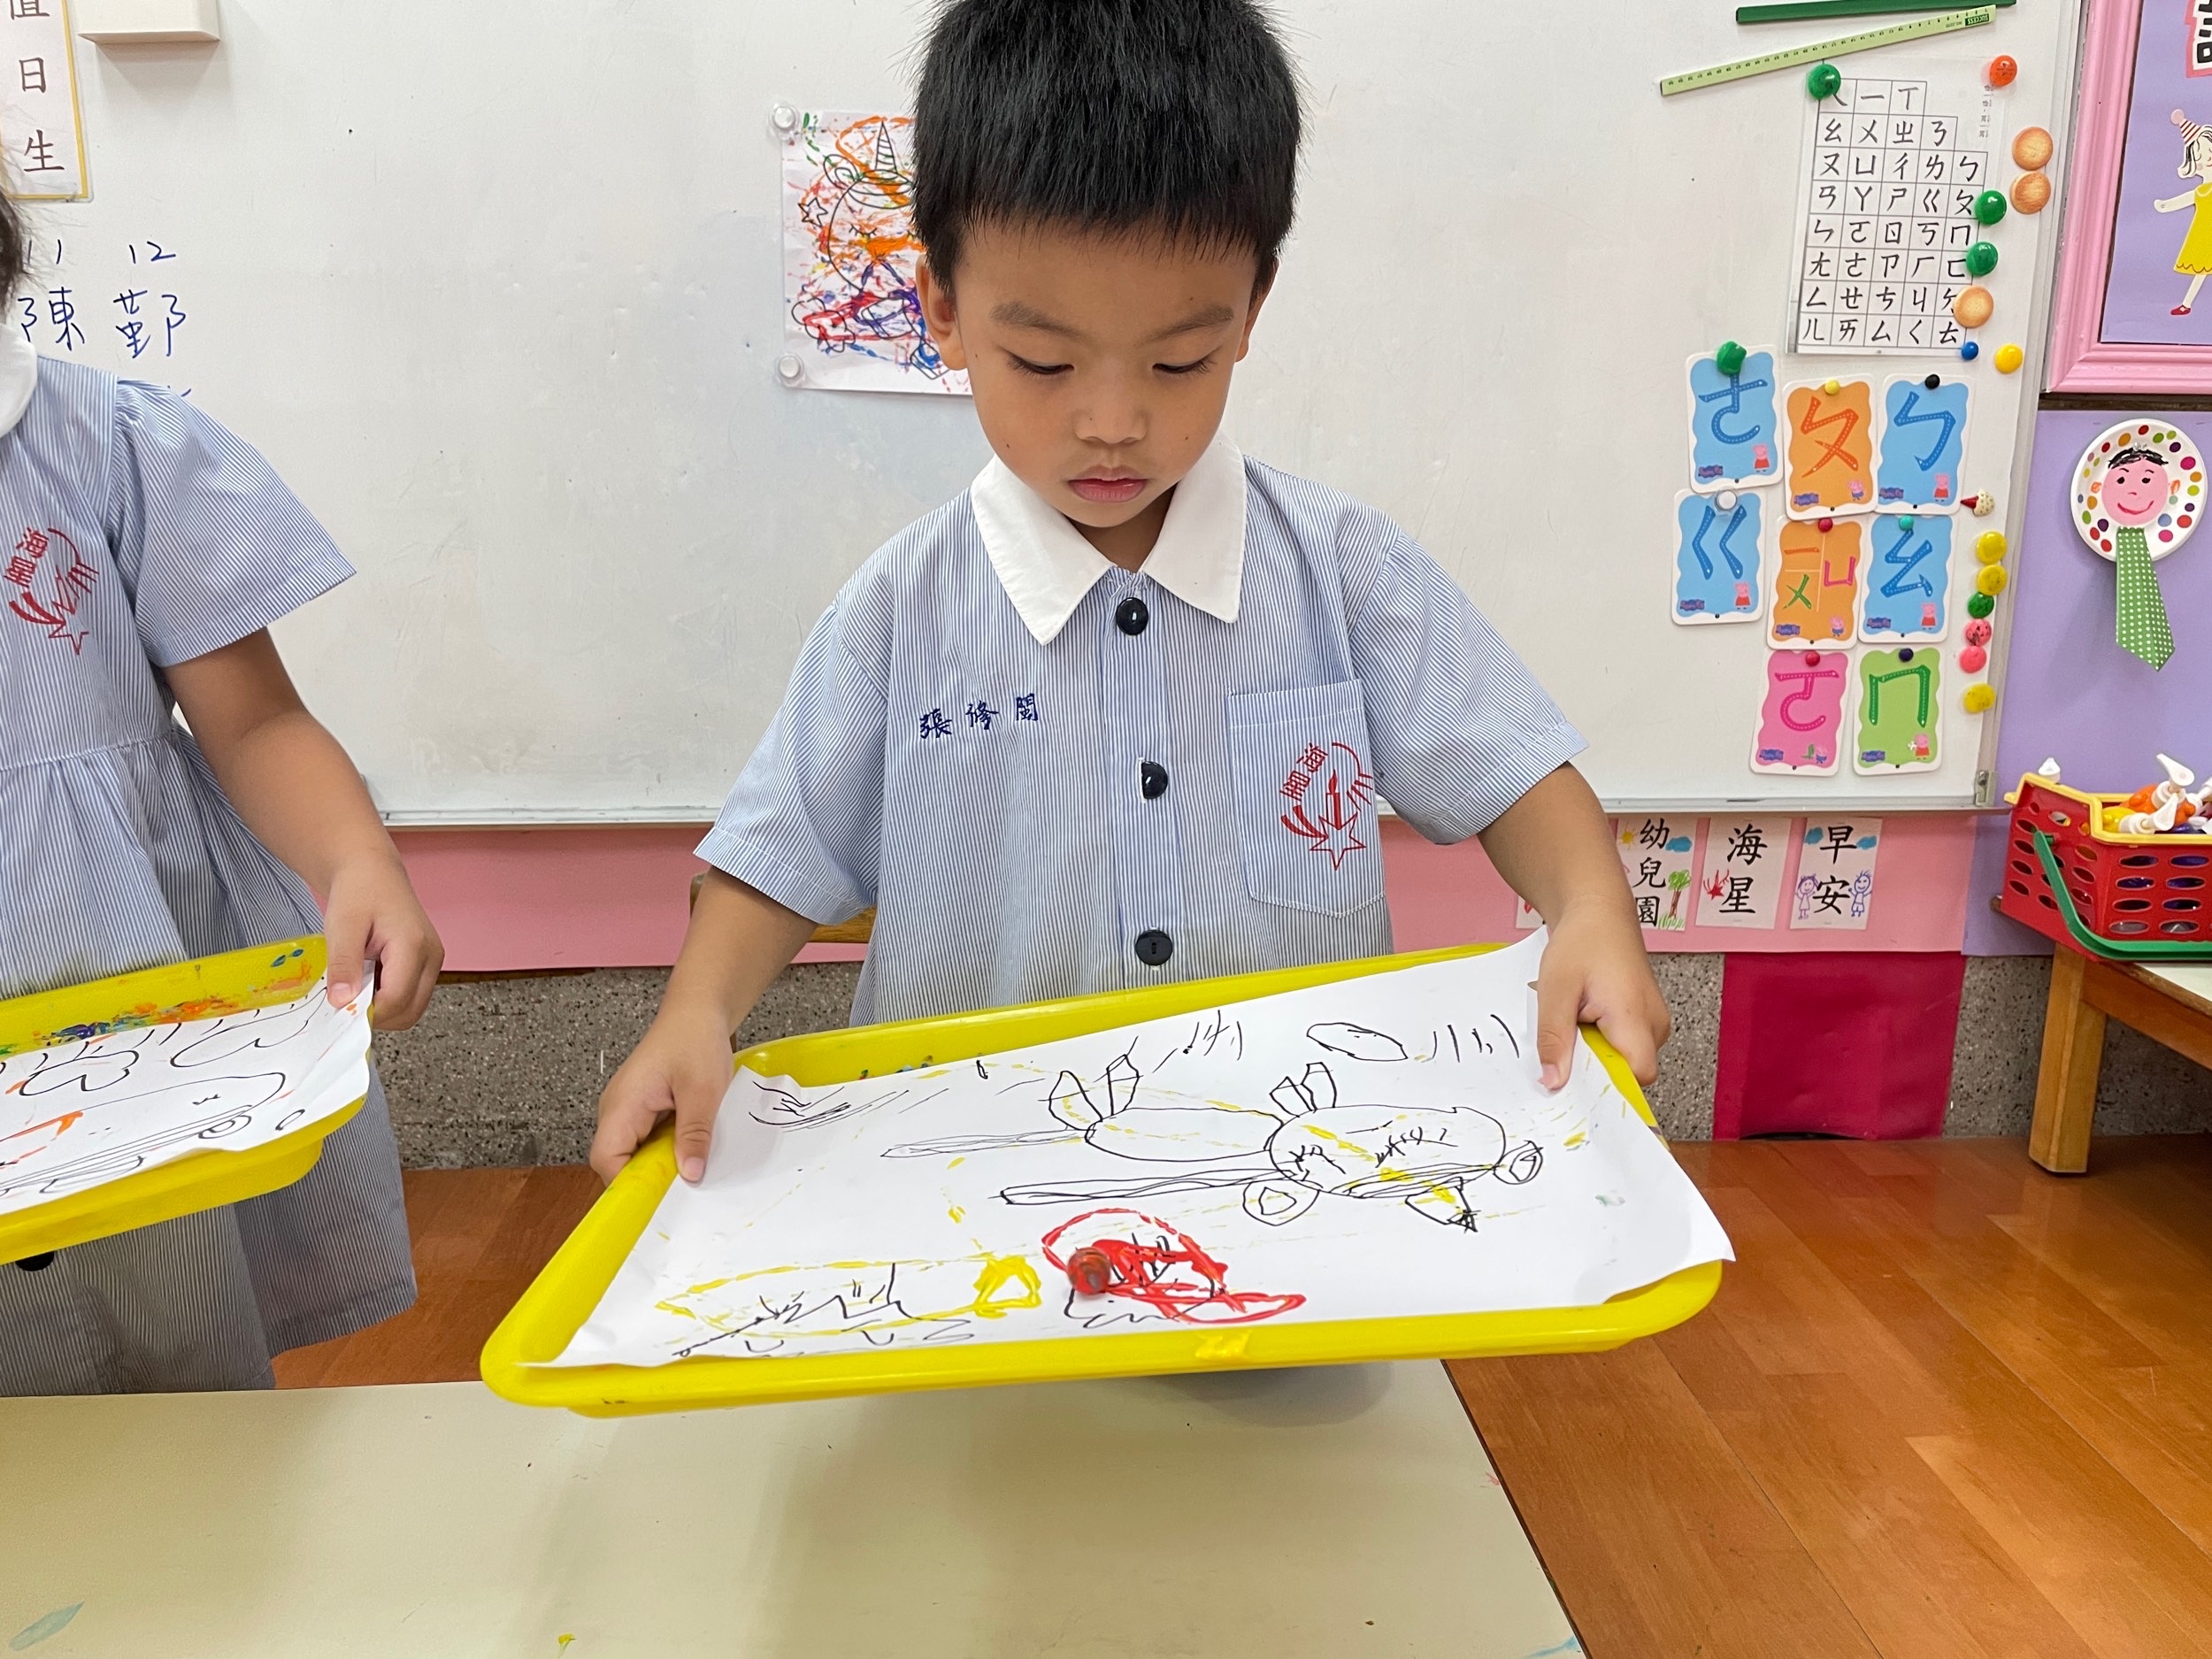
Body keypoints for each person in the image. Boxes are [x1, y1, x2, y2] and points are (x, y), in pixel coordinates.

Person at [593, 0, 1668, 1185]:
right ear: (943, 310)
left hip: (1287, 1160)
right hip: (975, 1178)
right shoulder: (899, 612)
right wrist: (696, 1012)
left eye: (1177, 361)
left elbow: (1511, 766)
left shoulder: (1341, 569)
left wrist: (1587, 909)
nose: (1112, 421)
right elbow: (777, 855)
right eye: (1045, 363)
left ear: (1249, 312)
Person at [0, 190, 442, 1393]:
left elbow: (253, 719)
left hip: (132, 1030)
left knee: (168, 1364)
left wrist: (357, 860)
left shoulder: (97, 443)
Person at [2156, 111, 2212, 316]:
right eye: (2200, 156)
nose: (2207, 158)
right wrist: (2164, 205)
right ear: (2193, 164)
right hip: (2205, 236)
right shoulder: (2201, 192)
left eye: (2210, 151)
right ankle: (2186, 304)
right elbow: (2184, 200)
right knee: (2201, 272)